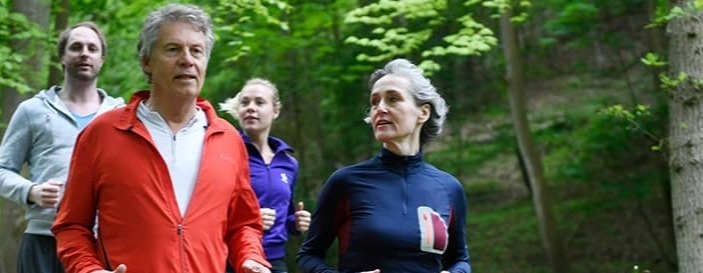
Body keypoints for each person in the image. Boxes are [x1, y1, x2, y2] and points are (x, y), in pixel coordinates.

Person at [51, 3, 271, 273]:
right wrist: (89, 269)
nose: (187, 60)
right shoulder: (101, 134)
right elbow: (71, 225)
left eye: (196, 51)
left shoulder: (228, 139)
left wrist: (251, 258)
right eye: (173, 49)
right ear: (147, 61)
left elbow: (244, 224)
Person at [297, 58, 471, 273]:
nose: (380, 109)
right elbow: (309, 256)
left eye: (393, 99)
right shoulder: (346, 182)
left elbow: (460, 259)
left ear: (423, 113)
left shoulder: (449, 188)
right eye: (374, 102)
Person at [0, 21, 124, 273]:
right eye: (76, 47)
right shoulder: (32, 111)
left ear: (102, 59)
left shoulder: (120, 115)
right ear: (62, 57)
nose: (84, 53)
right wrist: (31, 191)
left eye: (92, 48)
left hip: (101, 242)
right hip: (44, 239)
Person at [219, 78, 312, 273]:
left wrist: (294, 223)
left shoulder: (288, 163)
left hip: (274, 261)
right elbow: (209, 212)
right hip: (233, 260)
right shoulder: (224, 153)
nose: (251, 108)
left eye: (259, 103)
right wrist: (250, 219)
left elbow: (284, 217)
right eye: (245, 103)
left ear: (275, 111)